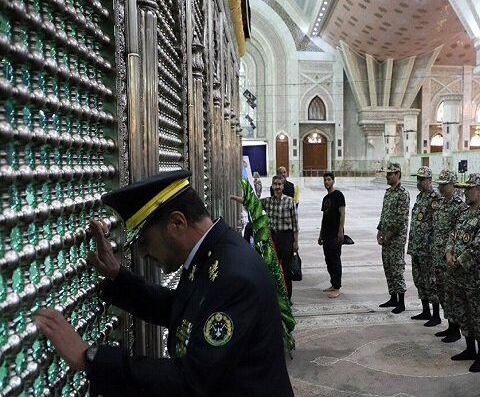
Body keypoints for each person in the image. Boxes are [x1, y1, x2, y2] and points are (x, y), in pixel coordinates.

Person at [35, 170, 294, 396]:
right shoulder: (215, 252)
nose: (143, 254)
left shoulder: (233, 275)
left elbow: (191, 381)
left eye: (144, 242)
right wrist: (117, 276)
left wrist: (90, 358)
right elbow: (181, 308)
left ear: (177, 223)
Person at [446, 173, 480, 373]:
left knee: (478, 315)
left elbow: (479, 247)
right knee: (463, 313)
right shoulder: (465, 213)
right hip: (457, 274)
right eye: (465, 188)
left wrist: (458, 262)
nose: (466, 191)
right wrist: (449, 253)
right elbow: (453, 234)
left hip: (475, 276)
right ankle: (469, 349)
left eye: (469, 189)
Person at [431, 169, 464, 343]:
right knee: (442, 292)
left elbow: (457, 234)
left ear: (453, 185)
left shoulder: (459, 205)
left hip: (450, 258)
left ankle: (455, 328)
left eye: (444, 184)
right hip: (438, 255)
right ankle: (450, 325)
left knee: (451, 294)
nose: (441, 187)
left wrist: (452, 255)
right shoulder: (441, 203)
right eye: (440, 184)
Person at [407, 166, 440, 325]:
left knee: (431, 281)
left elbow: (438, 225)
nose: (419, 182)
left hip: (428, 249)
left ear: (430, 180)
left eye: (422, 179)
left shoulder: (435, 199)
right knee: (419, 280)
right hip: (417, 247)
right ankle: (425, 310)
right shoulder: (420, 197)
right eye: (418, 179)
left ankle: (435, 315)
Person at [376, 162, 410, 314]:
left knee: (396, 268)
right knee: (388, 267)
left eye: (390, 174)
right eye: (387, 174)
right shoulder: (388, 192)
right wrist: (379, 231)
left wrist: (388, 235)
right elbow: (384, 214)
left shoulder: (403, 194)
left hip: (396, 239)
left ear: (397, 174)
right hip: (386, 238)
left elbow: (400, 219)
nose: (387, 176)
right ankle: (393, 297)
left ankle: (401, 301)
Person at [261, 175, 299, 299]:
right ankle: (275, 296)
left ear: (283, 186)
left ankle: (288, 297)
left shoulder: (290, 201)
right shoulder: (267, 201)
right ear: (272, 186)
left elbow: (295, 224)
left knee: (286, 269)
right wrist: (235, 198)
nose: (277, 187)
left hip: (286, 238)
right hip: (273, 238)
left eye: (279, 184)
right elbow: (251, 203)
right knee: (272, 267)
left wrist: (295, 242)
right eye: (275, 184)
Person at [318, 172, 346, 299]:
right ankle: (333, 284)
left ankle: (338, 287)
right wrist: (320, 234)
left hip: (335, 234)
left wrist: (340, 231)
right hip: (326, 234)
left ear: (333, 181)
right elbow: (324, 217)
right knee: (328, 259)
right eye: (325, 180)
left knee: (335, 260)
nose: (326, 182)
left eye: (328, 180)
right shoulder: (325, 198)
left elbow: (342, 213)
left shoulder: (338, 195)